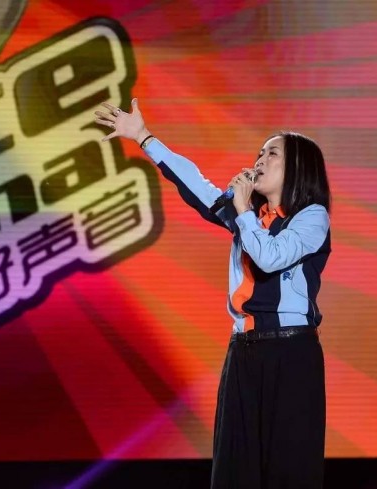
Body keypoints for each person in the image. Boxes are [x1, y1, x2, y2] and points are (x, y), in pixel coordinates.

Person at [95, 99, 332, 489]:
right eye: (258, 153)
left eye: (272, 154)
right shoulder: (248, 216)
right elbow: (196, 186)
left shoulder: (311, 217)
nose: (259, 160)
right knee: (234, 469)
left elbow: (272, 257)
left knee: (289, 471)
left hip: (292, 354)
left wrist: (242, 212)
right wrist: (144, 137)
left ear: (298, 168)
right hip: (243, 352)